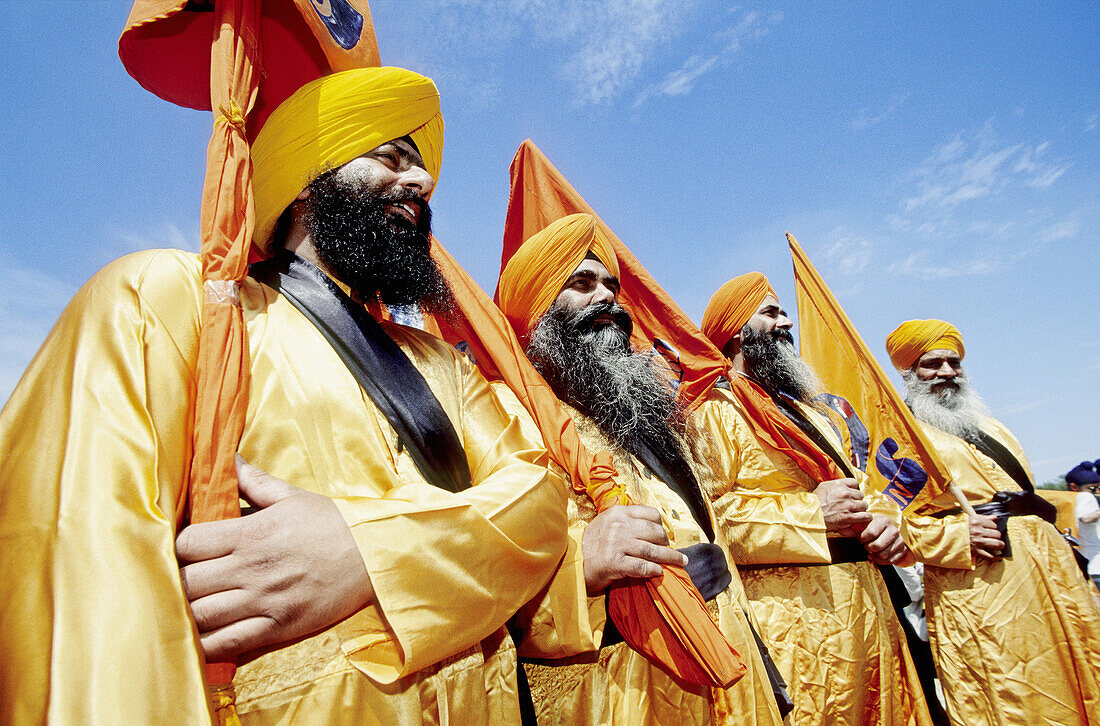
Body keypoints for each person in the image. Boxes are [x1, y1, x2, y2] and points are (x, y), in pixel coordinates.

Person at [0, 67, 568, 724]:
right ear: (305, 181)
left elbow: (540, 503)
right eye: (391, 157)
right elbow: (83, 582)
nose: (422, 182)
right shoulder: (172, 305)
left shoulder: (445, 367)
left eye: (422, 171)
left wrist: (366, 551)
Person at [496, 215, 784, 725]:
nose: (608, 299)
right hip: (616, 688)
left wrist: (758, 654)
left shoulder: (647, 416)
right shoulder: (506, 413)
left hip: (729, 668)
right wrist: (583, 572)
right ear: (537, 311)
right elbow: (489, 570)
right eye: (582, 284)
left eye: (611, 285)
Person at [696, 273, 933, 726]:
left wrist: (886, 525)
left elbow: (858, 485)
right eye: (769, 312)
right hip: (793, 628)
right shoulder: (713, 411)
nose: (786, 321)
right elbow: (711, 520)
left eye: (783, 310)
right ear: (734, 332)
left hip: (869, 611)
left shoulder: (816, 413)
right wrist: (811, 514)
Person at [887, 318, 1100, 725]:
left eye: (954, 363)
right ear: (908, 371)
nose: (947, 372)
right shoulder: (902, 440)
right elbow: (894, 521)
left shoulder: (993, 427)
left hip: (1048, 577)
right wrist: (957, 534)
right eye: (932, 364)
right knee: (1011, 695)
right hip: (982, 589)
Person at [1067, 462, 1100, 591]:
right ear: (1074, 487)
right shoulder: (1085, 496)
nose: (1097, 491)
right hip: (1095, 564)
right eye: (1092, 488)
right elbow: (1085, 517)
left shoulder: (1073, 499)